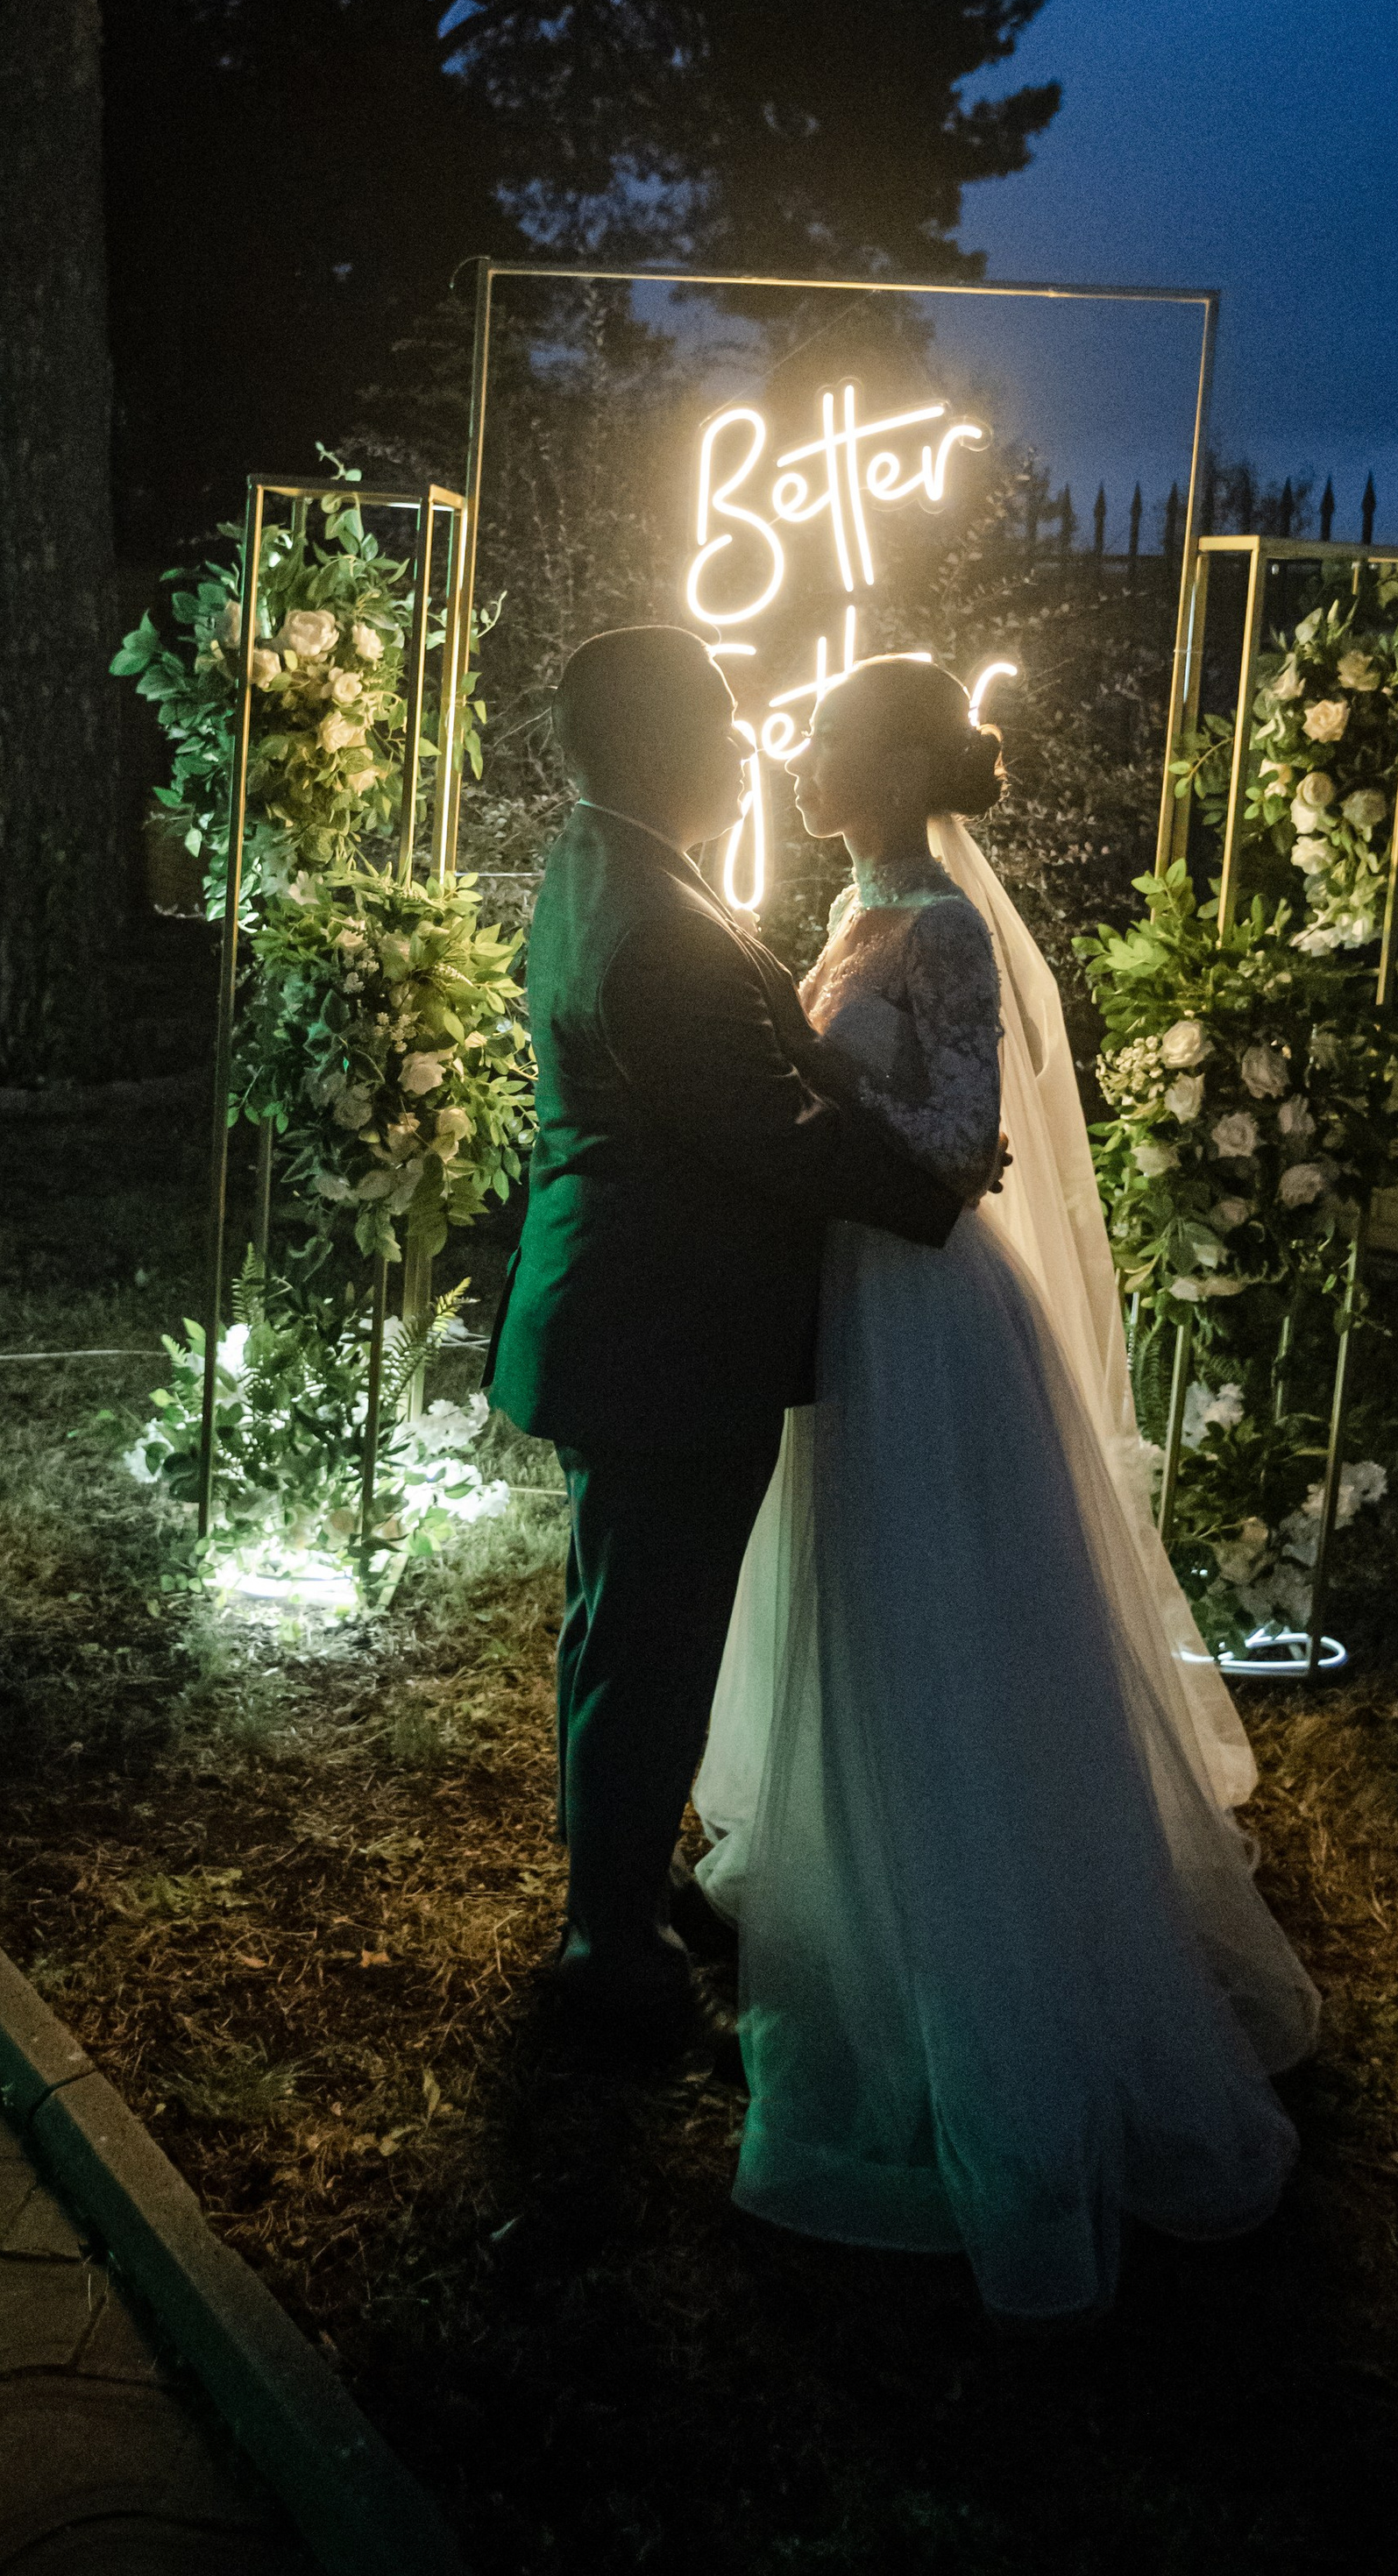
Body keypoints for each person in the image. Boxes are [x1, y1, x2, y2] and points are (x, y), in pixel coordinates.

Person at [694, 655, 1320, 2322]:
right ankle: (870, 1879)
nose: (802, 755)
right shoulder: (862, 903)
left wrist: (812, 1080)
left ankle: (985, 1950)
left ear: (901, 765)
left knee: (943, 1614)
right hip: (853, 1295)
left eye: (832, 736)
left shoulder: (948, 930)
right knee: (865, 1605)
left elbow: (960, 1142)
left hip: (925, 1315)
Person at [485, 626, 963, 2062]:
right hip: (668, 1339)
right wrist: (937, 1191)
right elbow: (773, 1130)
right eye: (724, 725)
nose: (749, 750)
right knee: (650, 1647)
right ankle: (609, 1955)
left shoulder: (604, 864)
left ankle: (611, 1896)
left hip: (625, 1320)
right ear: (659, 747)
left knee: (616, 1630)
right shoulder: (661, 928)